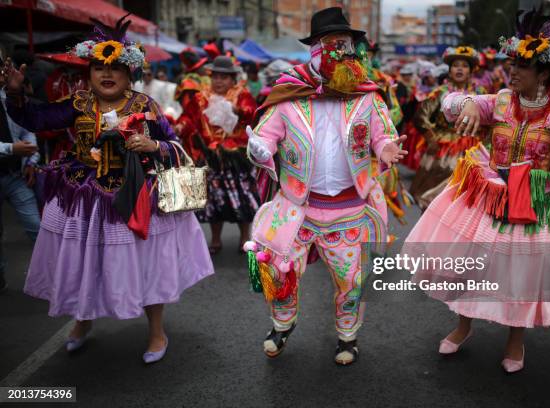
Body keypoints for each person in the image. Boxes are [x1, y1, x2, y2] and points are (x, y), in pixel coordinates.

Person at [404, 8, 550, 373]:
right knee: (467, 268)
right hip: (488, 195)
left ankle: (515, 343)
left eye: (521, 66)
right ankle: (462, 325)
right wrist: (467, 102)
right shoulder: (499, 100)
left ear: (544, 74)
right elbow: (451, 105)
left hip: (532, 204)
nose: (512, 71)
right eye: (511, 64)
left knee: (519, 277)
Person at [3, 15, 214, 363]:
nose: (107, 73)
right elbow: (36, 120)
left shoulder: (146, 107)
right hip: (84, 196)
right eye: (99, 66)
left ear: (128, 72)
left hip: (136, 197)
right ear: (89, 71)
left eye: (115, 67)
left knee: (147, 265)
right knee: (86, 262)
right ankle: (82, 322)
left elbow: (175, 146)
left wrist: (153, 147)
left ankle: (157, 331)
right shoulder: (78, 102)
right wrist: (14, 93)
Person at [244, 7, 407, 365]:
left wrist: (387, 148)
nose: (345, 54)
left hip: (348, 209)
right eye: (335, 46)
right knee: (278, 269)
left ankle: (347, 337)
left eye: (349, 46)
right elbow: (266, 137)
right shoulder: (288, 96)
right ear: (315, 51)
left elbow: (382, 135)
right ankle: (282, 324)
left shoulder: (368, 97)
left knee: (350, 281)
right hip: (296, 208)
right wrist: (259, 148)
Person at [409, 46, 486, 209]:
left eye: (464, 66)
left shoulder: (481, 93)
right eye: (455, 65)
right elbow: (420, 117)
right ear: (449, 70)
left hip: (472, 149)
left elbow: (490, 120)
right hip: (442, 150)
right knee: (433, 199)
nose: (459, 68)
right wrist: (431, 138)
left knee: (466, 201)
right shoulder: (440, 92)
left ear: (471, 71)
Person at [197, 56, 260, 253]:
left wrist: (237, 110)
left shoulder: (242, 94)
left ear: (233, 79)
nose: (219, 81)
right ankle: (215, 240)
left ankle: (244, 238)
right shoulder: (202, 96)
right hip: (212, 155)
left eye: (224, 77)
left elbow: (253, 114)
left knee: (243, 197)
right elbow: (193, 119)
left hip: (237, 156)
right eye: (215, 77)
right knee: (215, 199)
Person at [0, 68, 41, 293]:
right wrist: (11, 149)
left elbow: (27, 132)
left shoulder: (10, 101)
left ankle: (58, 276)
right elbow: (16, 144)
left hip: (16, 176)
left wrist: (32, 160)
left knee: (37, 227)